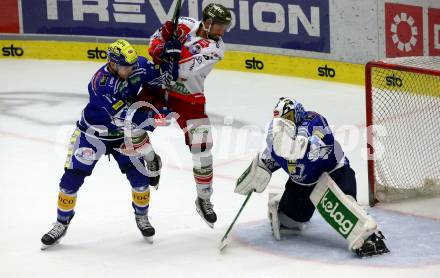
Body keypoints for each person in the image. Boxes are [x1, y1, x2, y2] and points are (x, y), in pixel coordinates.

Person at [41, 39, 173, 249]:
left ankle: (142, 217)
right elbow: (126, 117)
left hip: (122, 136)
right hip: (92, 135)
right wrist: (154, 116)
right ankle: (61, 222)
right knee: (70, 180)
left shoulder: (137, 65)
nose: (130, 70)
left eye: (131, 66)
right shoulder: (100, 84)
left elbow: (163, 77)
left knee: (139, 180)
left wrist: (169, 57)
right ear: (111, 63)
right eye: (124, 67)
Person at [234, 97, 390, 257]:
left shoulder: (313, 121)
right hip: (302, 183)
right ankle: (280, 203)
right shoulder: (275, 145)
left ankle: (368, 236)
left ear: (298, 114)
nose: (284, 124)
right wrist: (254, 175)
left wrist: (301, 147)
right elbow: (264, 163)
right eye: (280, 120)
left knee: (346, 205)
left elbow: (314, 144)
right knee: (289, 223)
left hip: (334, 173)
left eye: (288, 118)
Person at [138, 3, 232, 228]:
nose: (222, 32)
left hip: (189, 97)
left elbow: (182, 70)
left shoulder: (216, 49)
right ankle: (152, 160)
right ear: (207, 22)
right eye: (219, 26)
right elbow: (152, 43)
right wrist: (162, 47)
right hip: (158, 87)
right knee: (132, 127)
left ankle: (204, 199)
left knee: (202, 149)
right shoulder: (185, 24)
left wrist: (174, 50)